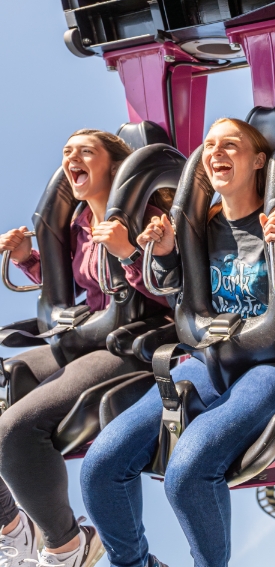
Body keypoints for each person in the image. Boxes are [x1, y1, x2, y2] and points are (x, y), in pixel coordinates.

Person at [80, 118, 275, 567]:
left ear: (258, 160)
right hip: (206, 360)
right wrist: (159, 252)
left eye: (231, 145)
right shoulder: (201, 227)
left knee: (188, 472)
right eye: (210, 145)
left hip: (272, 367)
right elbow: (171, 286)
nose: (217, 152)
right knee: (101, 465)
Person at [0, 129, 170, 567]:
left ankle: (68, 546)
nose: (71, 158)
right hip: (82, 334)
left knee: (14, 430)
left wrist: (130, 253)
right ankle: (13, 528)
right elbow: (73, 284)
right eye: (66, 152)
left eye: (85, 152)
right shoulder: (77, 222)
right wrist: (25, 259)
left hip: (127, 341)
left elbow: (174, 291)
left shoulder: (146, 216)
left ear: (114, 166)